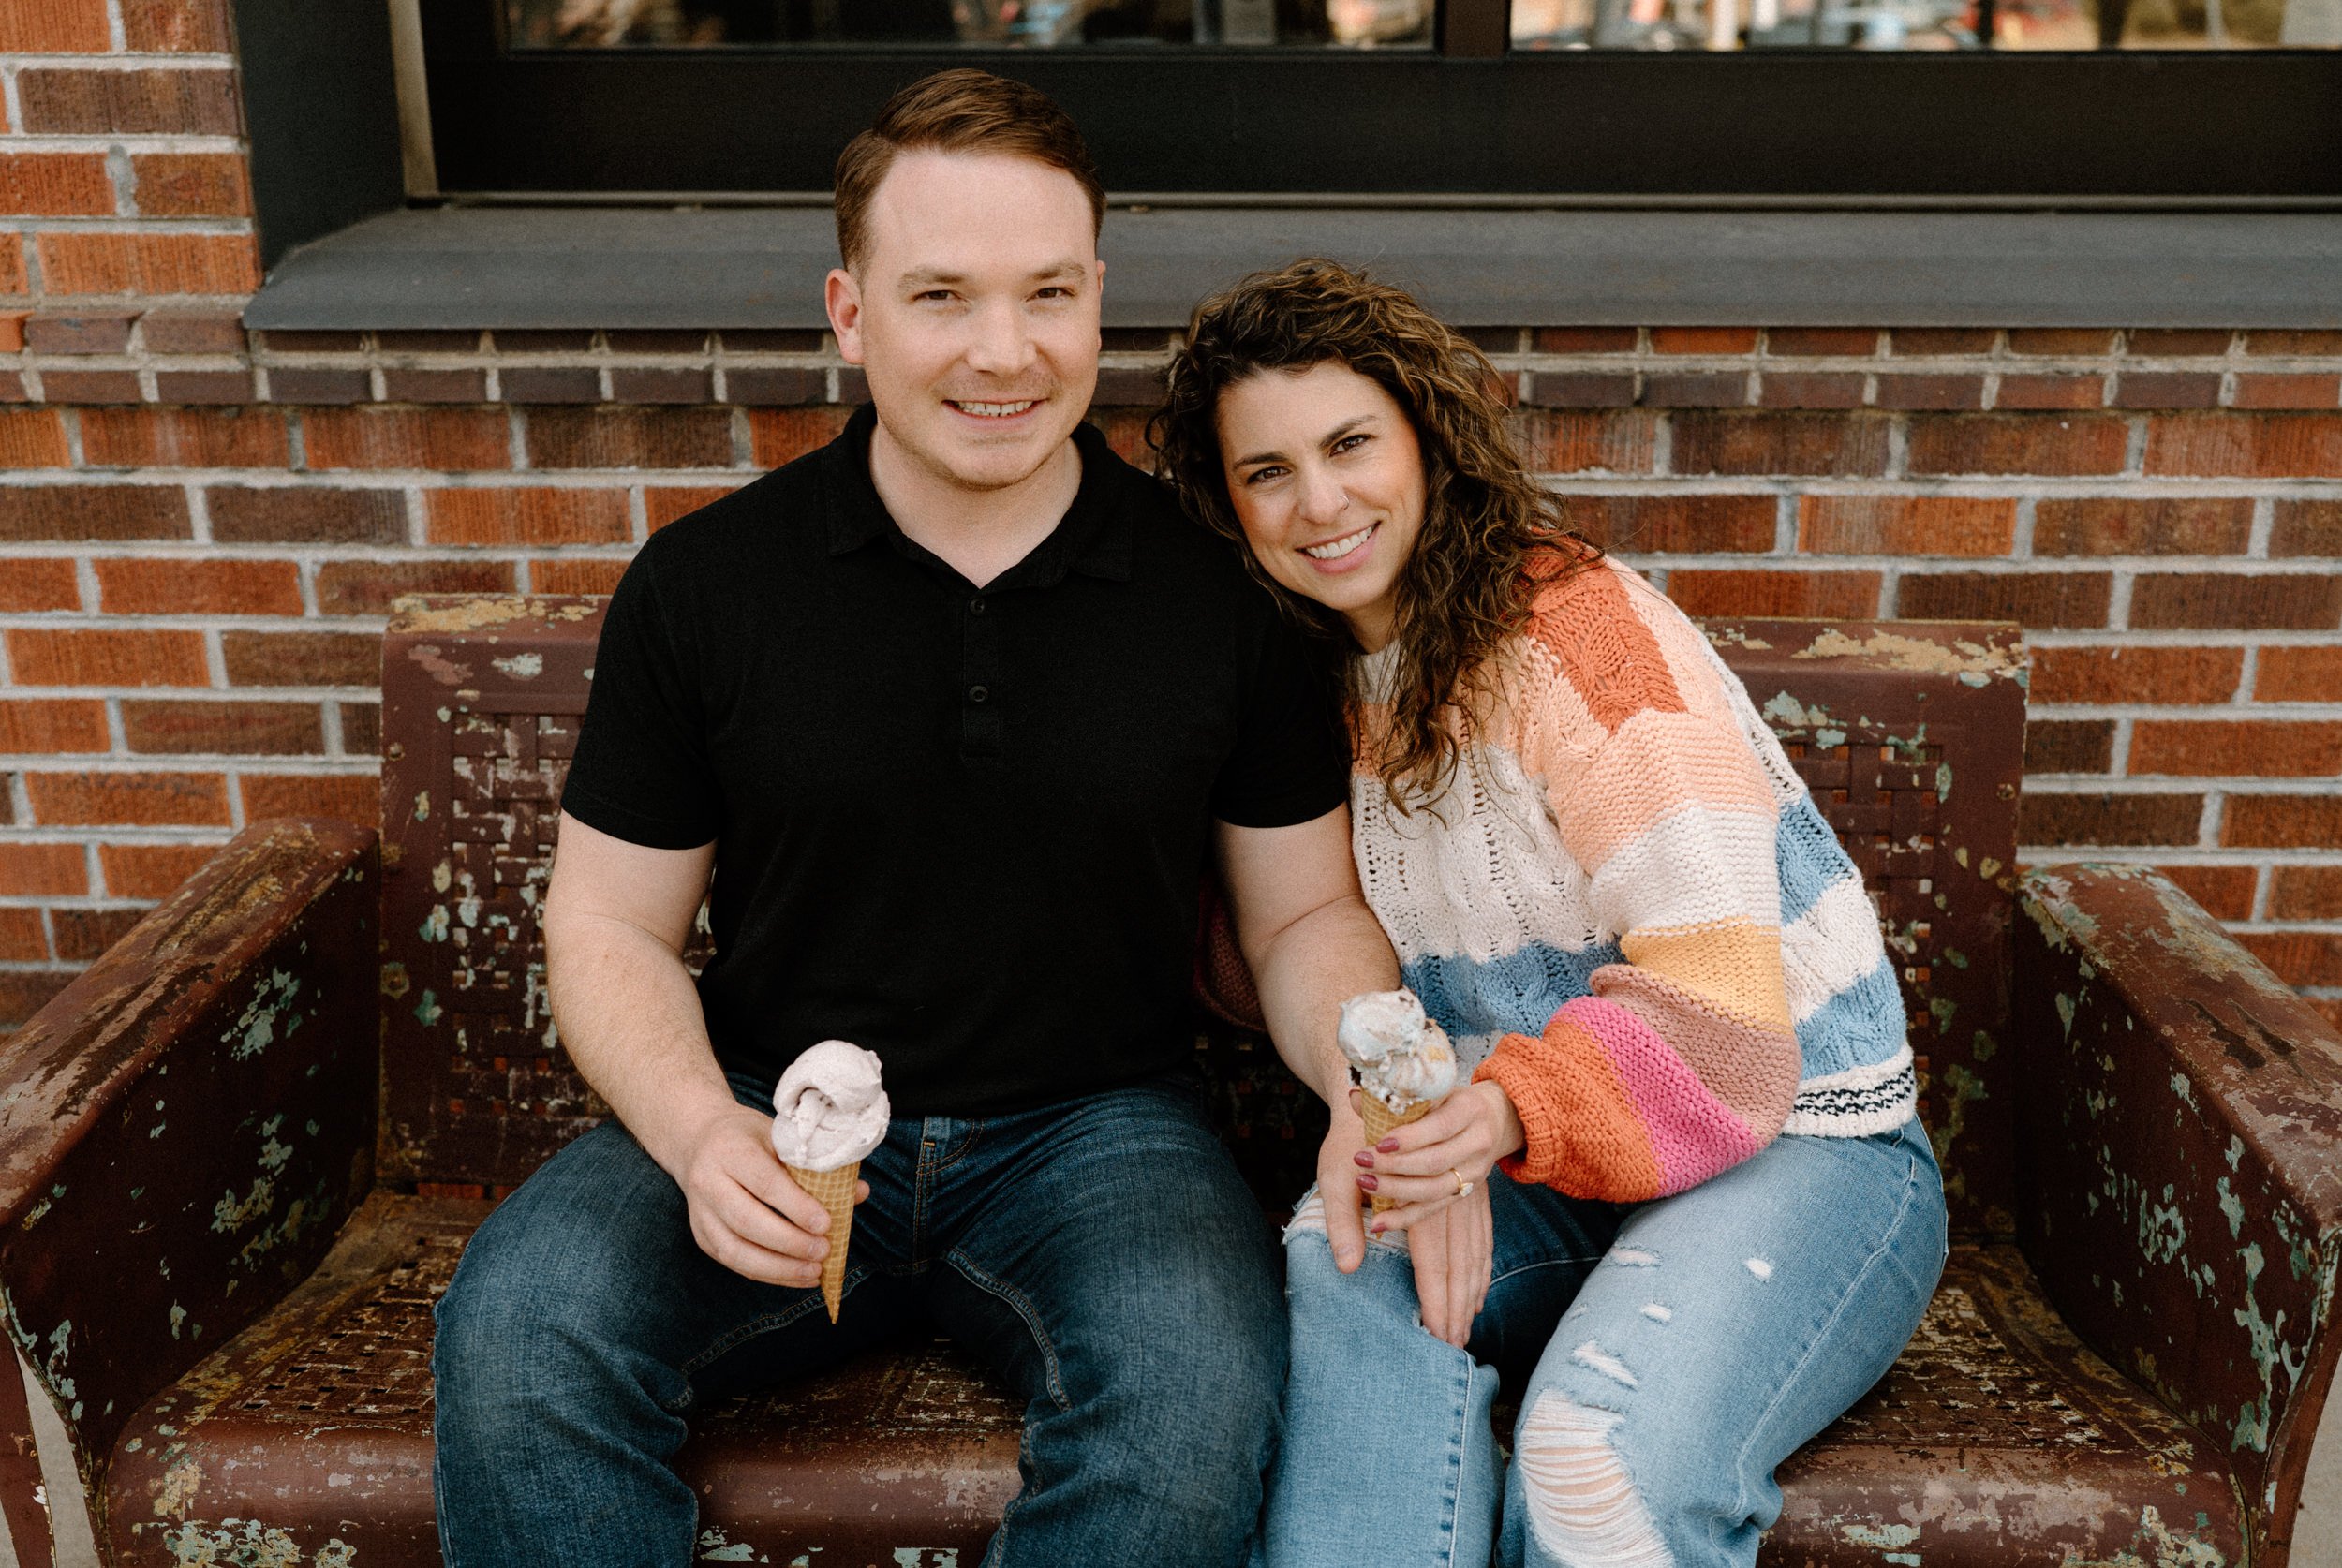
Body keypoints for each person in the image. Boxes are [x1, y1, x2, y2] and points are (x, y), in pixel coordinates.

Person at [429, 76, 1401, 1568]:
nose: (1003, 352)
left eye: (1049, 295)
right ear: (849, 310)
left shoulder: (1224, 597)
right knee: (518, 1335)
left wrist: (1370, 1080)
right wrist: (698, 1132)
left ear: (1096, 301)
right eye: (941, 295)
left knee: (1192, 1408)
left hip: (1101, 1130)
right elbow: (608, 923)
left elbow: (1302, 916)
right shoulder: (708, 588)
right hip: (769, 1096)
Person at [1153, 259, 1949, 1568]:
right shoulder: (1296, 687)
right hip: (1529, 1141)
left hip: (1803, 1140)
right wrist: (1423, 1135)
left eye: (1352, 443)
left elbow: (1731, 1021)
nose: (1322, 503)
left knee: (1591, 1466)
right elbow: (1296, 955)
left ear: (1426, 436)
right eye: (1268, 472)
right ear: (1226, 503)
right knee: (1344, 1246)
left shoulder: (1579, 640)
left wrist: (1498, 1112)